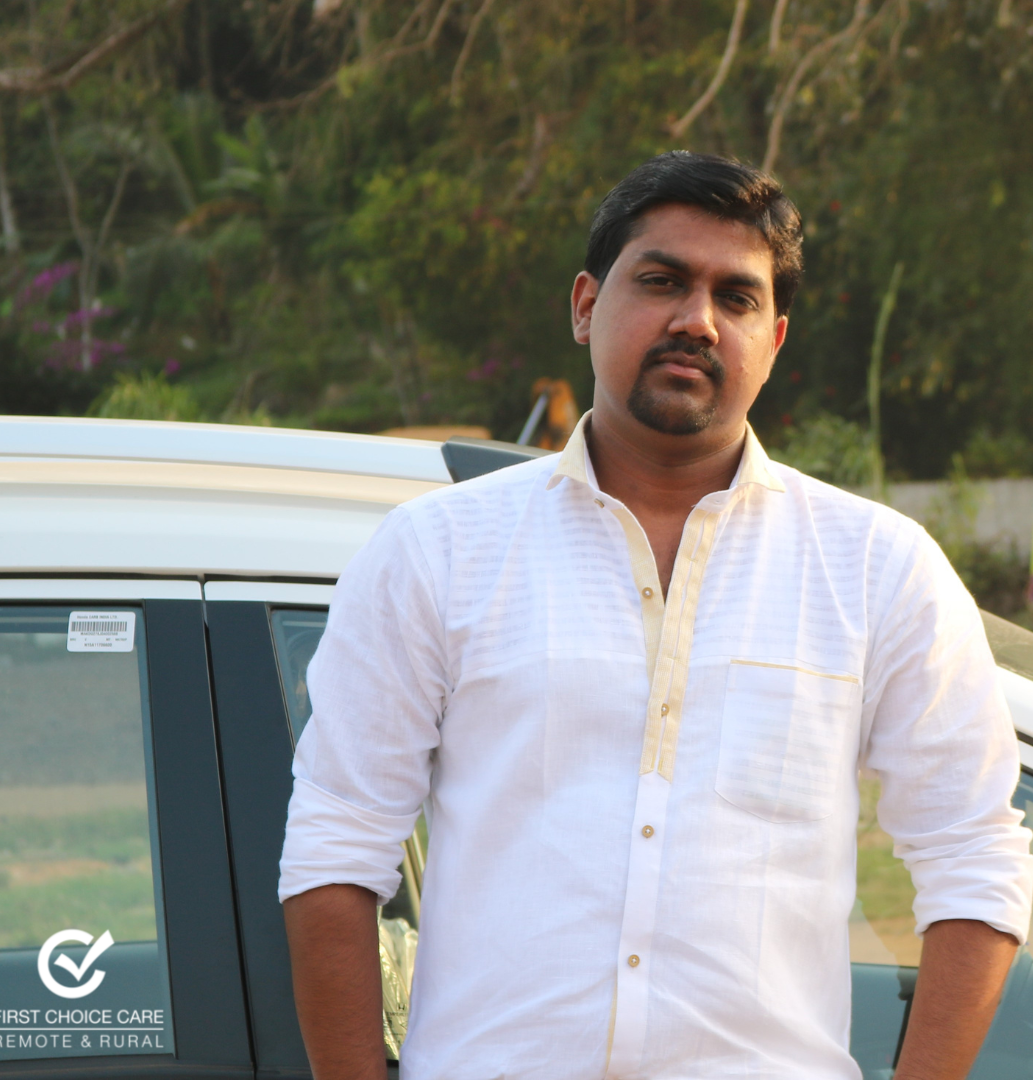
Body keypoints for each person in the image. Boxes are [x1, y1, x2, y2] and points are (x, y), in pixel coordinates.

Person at [279, 151, 1033, 1080]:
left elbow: (975, 856)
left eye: (737, 297)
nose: (696, 320)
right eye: (663, 280)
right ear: (586, 305)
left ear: (776, 339)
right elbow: (335, 842)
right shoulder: (437, 553)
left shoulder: (877, 568)